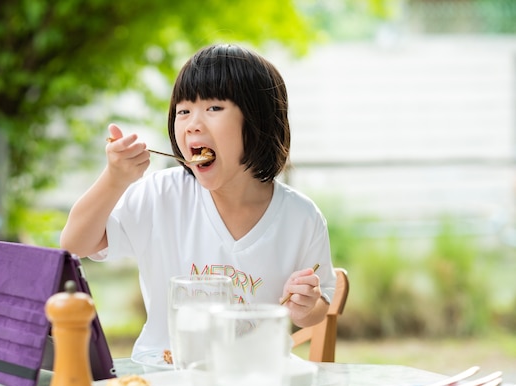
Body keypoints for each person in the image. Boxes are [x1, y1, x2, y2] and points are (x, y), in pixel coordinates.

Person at [60, 44, 336, 356]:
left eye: (214, 108)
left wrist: (306, 306)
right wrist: (115, 179)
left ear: (259, 120)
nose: (193, 123)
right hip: (164, 376)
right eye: (183, 111)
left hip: (256, 379)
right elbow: (74, 245)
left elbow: (322, 303)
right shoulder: (161, 195)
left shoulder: (301, 218)